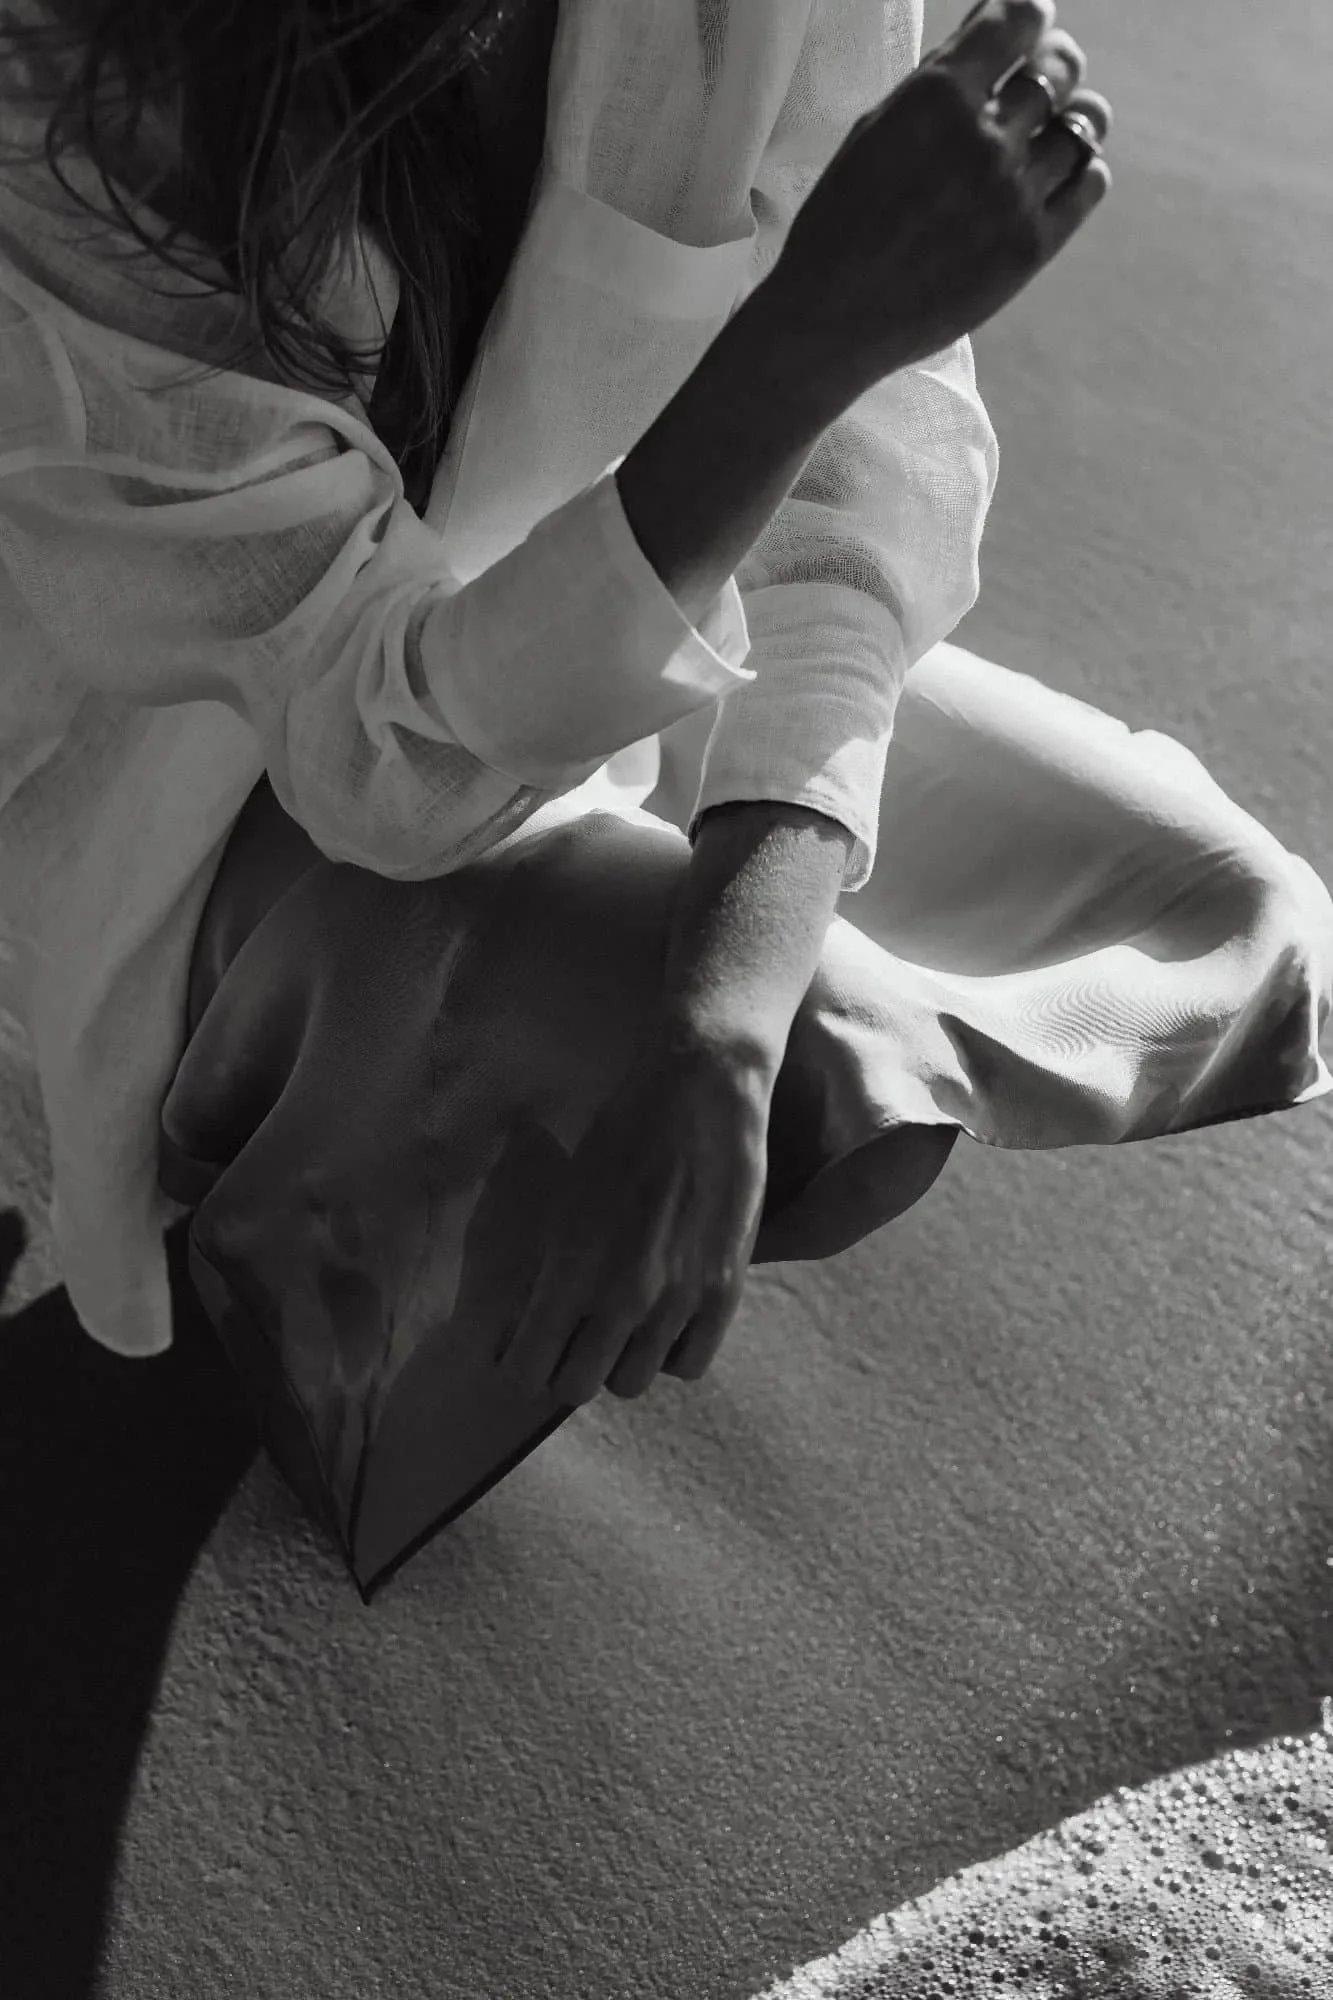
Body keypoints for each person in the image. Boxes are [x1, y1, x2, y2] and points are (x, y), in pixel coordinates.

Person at [0, 0, 1328, 1466]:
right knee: (838, 1057)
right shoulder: (69, 79)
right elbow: (376, 762)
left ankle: (505, 1115)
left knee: (1223, 908)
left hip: (620, 597)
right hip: (200, 783)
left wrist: (725, 1020)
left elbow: (851, 467)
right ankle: (289, 1157)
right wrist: (812, 333)